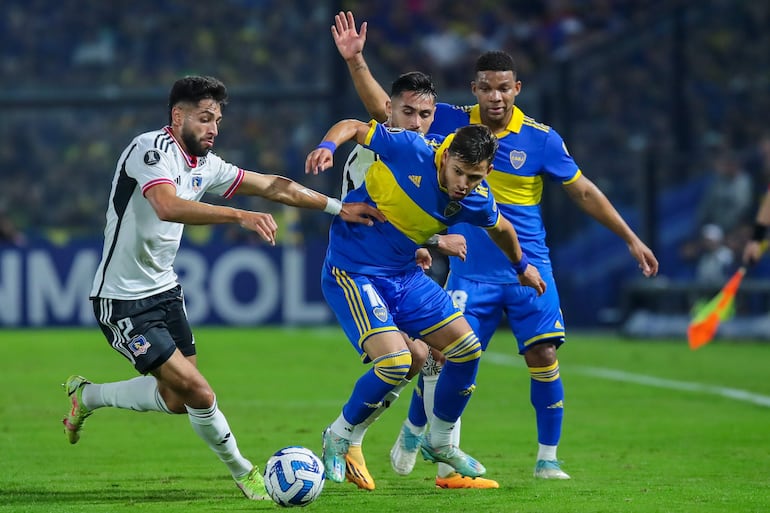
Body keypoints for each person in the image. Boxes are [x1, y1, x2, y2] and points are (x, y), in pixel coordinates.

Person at [331, 11, 659, 483]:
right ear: (475, 90)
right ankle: (422, 436)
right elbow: (390, 112)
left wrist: (629, 238)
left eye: (504, 88)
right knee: (449, 356)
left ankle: (546, 458)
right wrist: (357, 62)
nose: (495, 96)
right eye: (486, 88)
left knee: (543, 354)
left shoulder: (542, 140)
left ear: (517, 89)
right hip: (471, 267)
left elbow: (581, 191)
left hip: (526, 263)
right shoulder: (450, 123)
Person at [61, 75, 384, 501]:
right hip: (121, 300)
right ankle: (246, 473)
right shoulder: (150, 150)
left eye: (217, 119)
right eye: (204, 118)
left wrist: (338, 207)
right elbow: (166, 205)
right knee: (200, 391)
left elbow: (272, 185)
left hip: (164, 291)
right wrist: (238, 216)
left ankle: (87, 396)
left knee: (178, 399)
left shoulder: (205, 165)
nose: (213, 127)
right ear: (178, 117)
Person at [304, 120, 547, 487]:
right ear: (445, 156)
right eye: (459, 172)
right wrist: (327, 146)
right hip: (353, 270)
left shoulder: (475, 199)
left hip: (404, 276)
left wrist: (522, 266)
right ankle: (338, 435)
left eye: (475, 177)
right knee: (397, 361)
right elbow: (353, 126)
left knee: (467, 348)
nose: (464, 185)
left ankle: (441, 443)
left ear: (488, 172)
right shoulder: (410, 149)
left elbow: (503, 229)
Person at [337, 68, 470, 491]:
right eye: (407, 113)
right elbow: (371, 215)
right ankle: (356, 437)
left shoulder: (423, 149)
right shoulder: (374, 153)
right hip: (366, 269)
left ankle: (440, 462)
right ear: (388, 113)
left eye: (425, 115)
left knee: (437, 355)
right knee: (408, 359)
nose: (417, 123)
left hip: (400, 267)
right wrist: (430, 239)